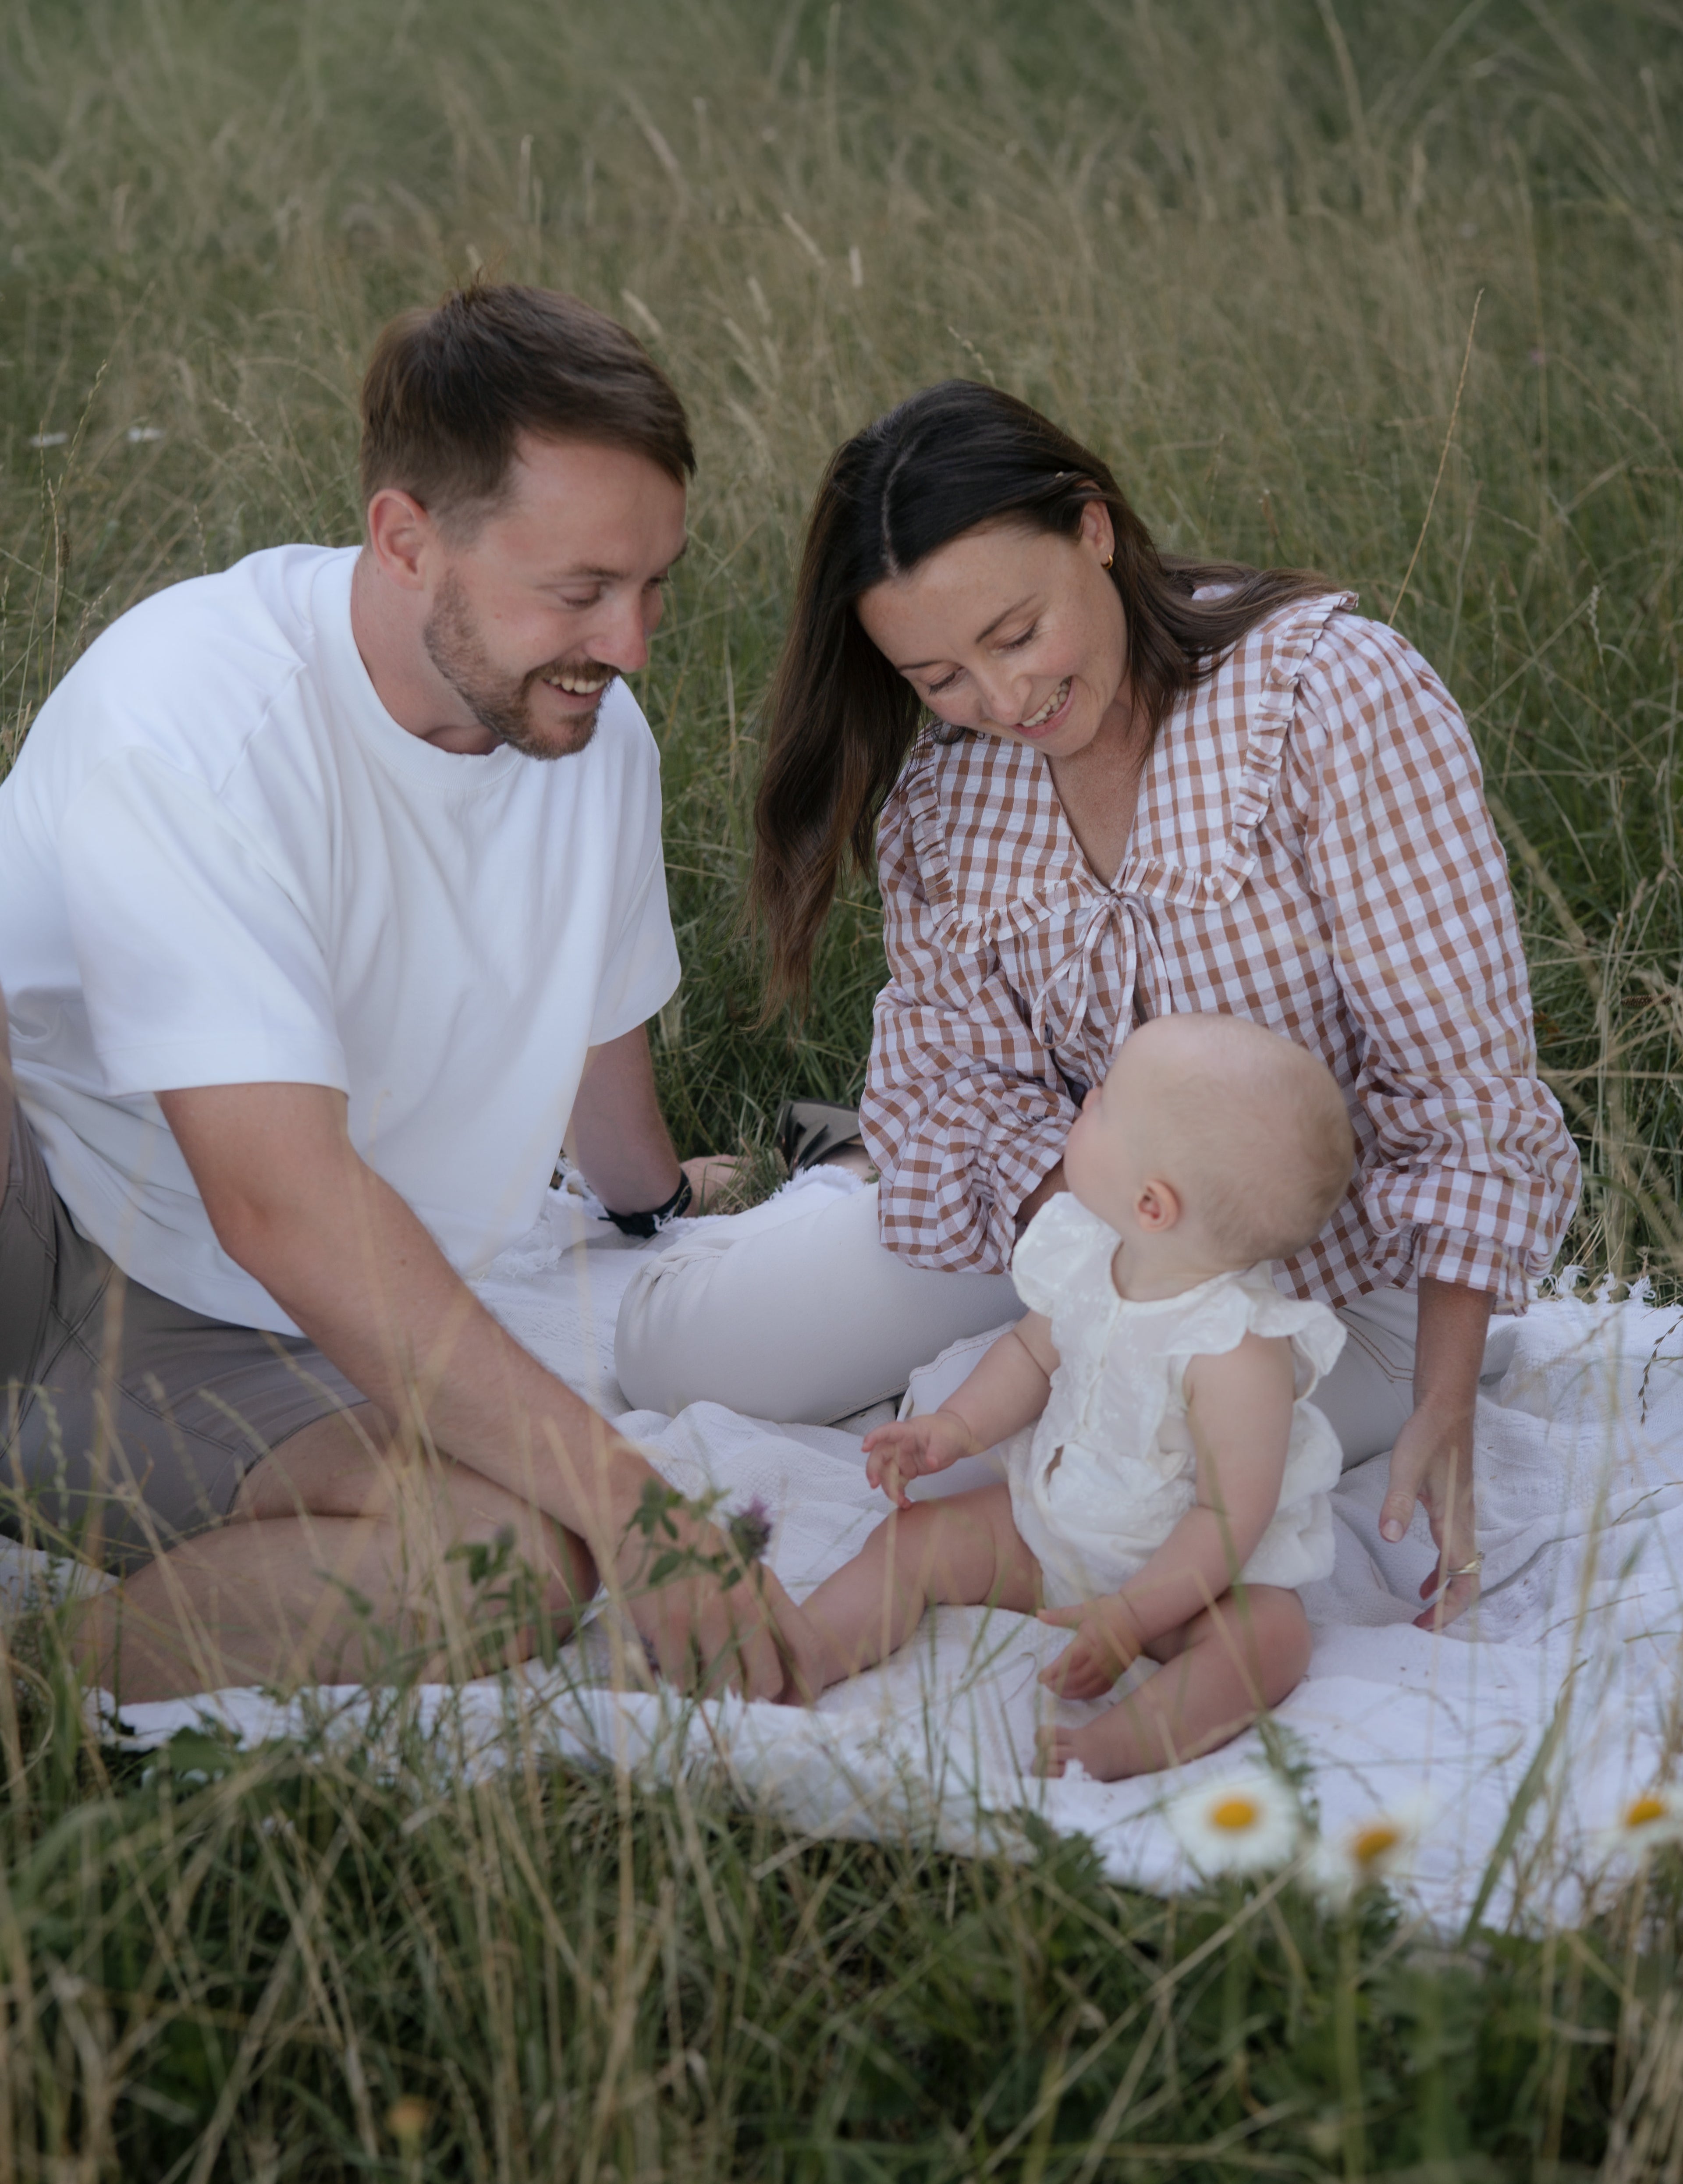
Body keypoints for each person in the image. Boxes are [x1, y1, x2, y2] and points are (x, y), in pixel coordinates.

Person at [615, 380, 1581, 1631]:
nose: (1003, 701)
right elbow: (959, 1081)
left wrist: (1443, 1404)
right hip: (1088, 1210)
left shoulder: (1331, 699)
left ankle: (1424, 1355)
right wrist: (1096, 1276)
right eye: (939, 676)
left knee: (981, 1462)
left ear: (1094, 528)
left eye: (1018, 634)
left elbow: (1463, 1089)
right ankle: (842, 1176)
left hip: (1342, 1274)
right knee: (674, 1355)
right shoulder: (951, 795)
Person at [0, 283, 797, 1704]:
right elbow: (280, 1204)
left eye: (653, 586)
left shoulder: (586, 733)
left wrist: (658, 1202)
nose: (632, 645)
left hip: (252, 1321)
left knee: (502, 1567)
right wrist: (635, 1502)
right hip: (57, 1258)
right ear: (407, 539)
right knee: (557, 1533)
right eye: (581, 592)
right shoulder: (198, 721)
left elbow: (597, 1047)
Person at [784, 1015, 1353, 1779]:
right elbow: (1028, 1356)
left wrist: (1133, 1615)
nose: (1085, 1101)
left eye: (1104, 1103)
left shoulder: (1236, 1348)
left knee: (1270, 1642)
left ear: (1152, 1204)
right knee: (912, 1543)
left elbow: (1229, 1520)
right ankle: (803, 1653)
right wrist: (954, 1427)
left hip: (1184, 1583)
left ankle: (1118, 1744)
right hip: (1051, 1527)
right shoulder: (1090, 1249)